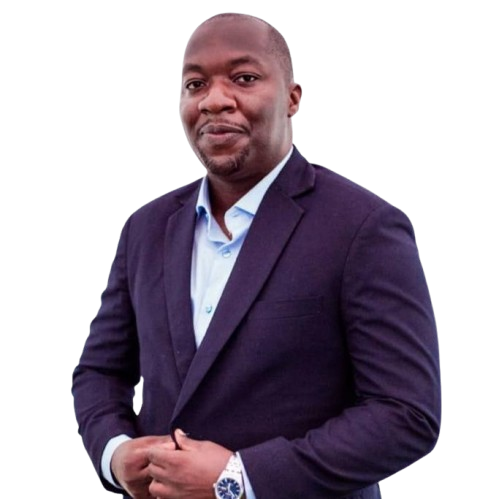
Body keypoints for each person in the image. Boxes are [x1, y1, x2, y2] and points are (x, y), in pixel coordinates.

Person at [72, 12, 441, 499]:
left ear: (292, 98)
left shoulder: (363, 228)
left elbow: (406, 414)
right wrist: (116, 453)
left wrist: (239, 479)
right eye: (195, 84)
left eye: (244, 78)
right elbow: (100, 372)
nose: (214, 100)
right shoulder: (146, 228)